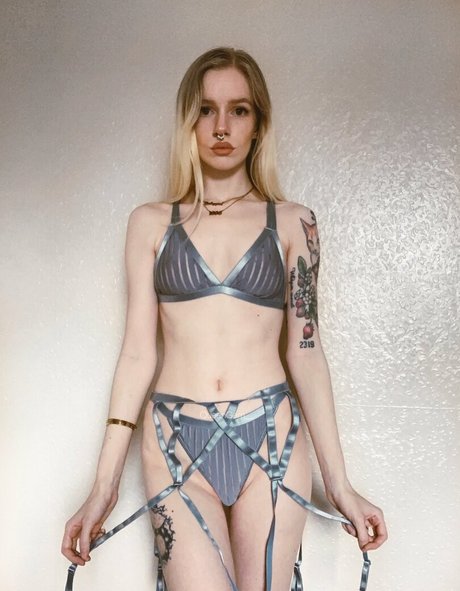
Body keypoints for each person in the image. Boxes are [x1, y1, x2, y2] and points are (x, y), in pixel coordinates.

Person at [61, 46, 387, 591]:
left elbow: (306, 353)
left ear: (259, 124)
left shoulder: (294, 223)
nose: (221, 127)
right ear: (189, 121)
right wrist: (103, 486)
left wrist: (341, 486)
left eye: (239, 110)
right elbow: (137, 353)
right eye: (207, 110)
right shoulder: (149, 224)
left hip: (272, 437)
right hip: (173, 439)